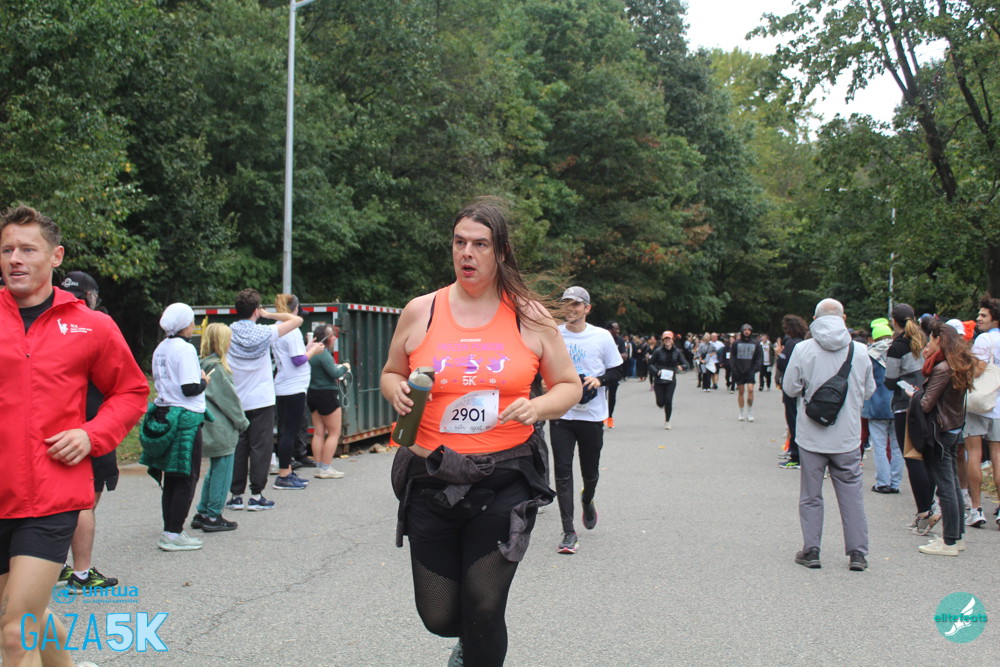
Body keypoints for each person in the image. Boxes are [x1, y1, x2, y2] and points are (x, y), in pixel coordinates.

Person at [380, 197, 580, 667]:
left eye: (480, 244)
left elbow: (568, 386)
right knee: (440, 615)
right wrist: (395, 391)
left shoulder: (530, 316)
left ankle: (478, 646)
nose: (467, 253)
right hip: (432, 474)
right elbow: (391, 372)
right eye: (459, 242)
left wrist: (537, 406)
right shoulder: (421, 311)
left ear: (501, 252)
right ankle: (467, 641)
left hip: (504, 476)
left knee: (485, 608)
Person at [0, 206, 147, 667]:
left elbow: (131, 391)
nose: (15, 259)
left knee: (14, 632)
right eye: (7, 250)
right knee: (27, 613)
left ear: (56, 256)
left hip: (52, 496)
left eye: (28, 250)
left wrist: (91, 434)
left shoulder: (91, 325)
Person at [782, 298, 874, 572]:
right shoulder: (860, 351)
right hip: (847, 436)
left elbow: (790, 388)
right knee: (852, 495)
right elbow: (869, 391)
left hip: (811, 435)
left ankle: (811, 550)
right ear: (843, 318)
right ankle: (857, 553)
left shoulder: (803, 349)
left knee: (811, 495)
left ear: (815, 319)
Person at [56, 271, 122, 592]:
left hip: (54, 425)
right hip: (90, 426)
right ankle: (81, 573)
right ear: (90, 296)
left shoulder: (45, 323)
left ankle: (55, 566)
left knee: (57, 502)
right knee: (83, 500)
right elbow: (123, 382)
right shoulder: (96, 325)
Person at [551, 287, 625, 554]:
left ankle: (588, 498)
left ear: (587, 308)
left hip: (591, 415)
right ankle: (568, 531)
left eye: (575, 304)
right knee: (562, 472)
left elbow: (618, 370)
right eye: (566, 304)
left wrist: (599, 380)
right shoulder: (554, 334)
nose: (570, 309)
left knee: (590, 472)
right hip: (561, 414)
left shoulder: (601, 337)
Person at [225, 289, 303, 512]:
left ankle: (236, 495)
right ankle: (256, 494)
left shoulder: (228, 333)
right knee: (260, 447)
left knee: (239, 447)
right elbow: (296, 320)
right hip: (261, 399)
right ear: (256, 310)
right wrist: (268, 315)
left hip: (237, 399)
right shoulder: (265, 332)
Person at [143, 303, 208, 551]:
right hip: (186, 417)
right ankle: (173, 533)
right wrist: (204, 381)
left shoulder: (161, 347)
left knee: (172, 475)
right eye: (191, 321)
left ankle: (169, 528)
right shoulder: (186, 349)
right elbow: (190, 388)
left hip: (165, 412)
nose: (193, 325)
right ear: (184, 324)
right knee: (187, 476)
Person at [908, 321, 977, 555]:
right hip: (953, 428)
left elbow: (927, 404)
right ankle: (957, 536)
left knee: (945, 487)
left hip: (940, 432)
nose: (928, 343)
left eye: (930, 339)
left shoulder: (942, 368)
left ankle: (949, 541)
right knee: (953, 485)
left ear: (939, 339)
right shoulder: (958, 365)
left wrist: (915, 396)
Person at [192, 323, 247, 532]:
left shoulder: (201, 364)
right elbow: (229, 400)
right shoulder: (219, 368)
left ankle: (203, 511)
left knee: (213, 471)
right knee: (223, 471)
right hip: (222, 427)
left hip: (207, 424)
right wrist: (242, 422)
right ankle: (214, 515)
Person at [883, 303, 934, 532]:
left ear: (894, 322)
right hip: (929, 401)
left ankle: (924, 511)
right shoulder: (926, 340)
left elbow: (890, 380)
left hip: (906, 405)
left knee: (912, 457)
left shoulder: (898, 346)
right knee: (928, 457)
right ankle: (930, 506)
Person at [271, 293, 324, 490]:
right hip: (293, 387)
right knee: (289, 432)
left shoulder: (278, 328)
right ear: (294, 309)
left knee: (286, 430)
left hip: (284, 384)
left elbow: (292, 356)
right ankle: (284, 474)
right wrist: (313, 351)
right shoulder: (292, 331)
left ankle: (286, 470)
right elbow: (298, 360)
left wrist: (307, 347)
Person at [963, 296, 1000, 529]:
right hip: (999, 406)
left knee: (974, 453)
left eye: (983, 315)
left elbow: (977, 371)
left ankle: (976, 509)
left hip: (980, 404)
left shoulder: (985, 339)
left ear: (995, 319)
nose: (978, 318)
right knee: (997, 455)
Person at [308, 323, 351, 479]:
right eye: (332, 336)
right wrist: (345, 367)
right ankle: (326, 467)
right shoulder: (324, 354)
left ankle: (320, 467)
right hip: (327, 394)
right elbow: (334, 373)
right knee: (334, 433)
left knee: (318, 432)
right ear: (326, 338)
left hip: (312, 393)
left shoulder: (311, 353)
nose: (334, 339)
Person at [865, 318, 903, 494]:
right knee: (897, 446)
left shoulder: (869, 355)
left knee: (879, 446)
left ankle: (882, 482)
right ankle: (895, 482)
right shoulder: (899, 351)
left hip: (877, 405)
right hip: (898, 403)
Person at [776, 315, 808, 469]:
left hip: (792, 387)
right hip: (803, 387)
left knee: (793, 420)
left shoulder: (791, 344)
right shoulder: (804, 343)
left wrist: (779, 354)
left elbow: (783, 364)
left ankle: (796, 456)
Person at [648, 330, 687, 429]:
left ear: (672, 340)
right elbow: (650, 364)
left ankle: (667, 421)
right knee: (660, 402)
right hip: (659, 379)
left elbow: (685, 363)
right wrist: (656, 371)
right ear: (663, 340)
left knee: (668, 400)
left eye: (669, 339)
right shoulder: (658, 351)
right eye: (665, 339)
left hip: (671, 379)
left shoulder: (677, 351)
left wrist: (682, 367)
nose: (667, 341)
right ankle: (661, 404)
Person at [731, 324, 763, 422]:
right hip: (739, 370)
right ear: (742, 331)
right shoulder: (736, 343)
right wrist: (734, 368)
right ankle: (741, 412)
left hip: (750, 370)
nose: (747, 331)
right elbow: (732, 357)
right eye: (745, 330)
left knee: (750, 390)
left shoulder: (756, 343)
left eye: (749, 330)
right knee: (741, 392)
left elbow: (759, 357)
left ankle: (749, 412)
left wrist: (756, 368)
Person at [604, 321, 627, 427]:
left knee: (612, 396)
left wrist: (614, 356)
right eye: (616, 329)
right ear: (609, 330)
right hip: (602, 372)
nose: (618, 331)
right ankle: (602, 417)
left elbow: (625, 355)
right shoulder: (602, 338)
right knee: (602, 395)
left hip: (615, 371)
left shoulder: (620, 340)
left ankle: (610, 417)